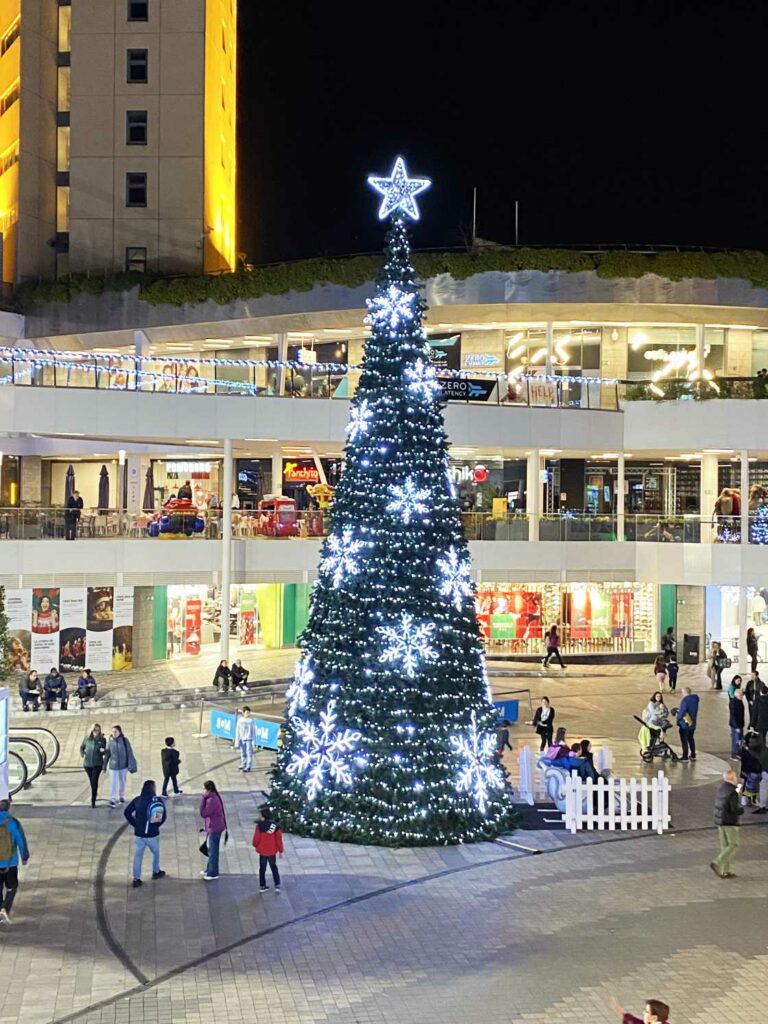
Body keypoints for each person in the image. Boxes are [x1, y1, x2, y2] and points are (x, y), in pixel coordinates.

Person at [124, 780, 167, 889]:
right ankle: (156, 871)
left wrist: (135, 824)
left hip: (139, 834)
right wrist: (155, 827)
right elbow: (162, 818)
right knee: (155, 853)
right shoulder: (157, 800)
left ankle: (136, 878)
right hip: (153, 834)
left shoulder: (138, 800)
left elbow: (127, 812)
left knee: (138, 856)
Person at [0, 798, 30, 925]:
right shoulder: (13, 822)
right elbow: (20, 840)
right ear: (8, 808)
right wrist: (24, 856)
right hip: (10, 862)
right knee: (12, 886)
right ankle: (5, 908)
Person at [711, 768, 743, 879]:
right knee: (733, 844)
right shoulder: (732, 793)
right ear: (732, 778)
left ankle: (724, 872)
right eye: (735, 777)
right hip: (730, 821)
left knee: (725, 846)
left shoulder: (721, 788)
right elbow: (734, 809)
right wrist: (741, 809)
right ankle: (717, 862)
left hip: (720, 821)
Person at [199, 780, 227, 880]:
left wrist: (202, 799)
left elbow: (203, 813)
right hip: (214, 826)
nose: (202, 791)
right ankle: (209, 869)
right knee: (211, 849)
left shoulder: (211, 800)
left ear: (208, 789)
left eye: (203, 789)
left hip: (215, 828)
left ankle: (213, 872)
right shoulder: (212, 797)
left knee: (213, 851)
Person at [252, 806, 284, 893]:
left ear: (263, 816)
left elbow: (256, 839)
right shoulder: (275, 826)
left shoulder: (259, 826)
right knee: (273, 867)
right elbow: (278, 839)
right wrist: (280, 850)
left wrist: (256, 845)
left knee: (262, 868)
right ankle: (277, 885)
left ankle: (262, 886)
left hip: (262, 851)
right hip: (272, 851)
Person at [104, 724, 137, 807]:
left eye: (116, 731)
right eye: (113, 732)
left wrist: (130, 763)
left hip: (123, 765)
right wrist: (104, 766)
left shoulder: (124, 741)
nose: (114, 733)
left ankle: (121, 796)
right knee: (113, 782)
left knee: (122, 781)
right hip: (113, 766)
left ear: (119, 732)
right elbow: (107, 755)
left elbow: (129, 752)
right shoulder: (109, 742)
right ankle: (112, 798)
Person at [80, 723, 107, 808]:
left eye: (98, 730)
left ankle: (93, 799)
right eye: (95, 730)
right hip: (88, 764)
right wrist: (83, 753)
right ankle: (94, 792)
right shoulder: (87, 739)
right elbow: (82, 747)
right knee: (92, 781)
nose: (96, 732)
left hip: (97, 764)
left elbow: (105, 749)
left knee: (94, 781)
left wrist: (103, 751)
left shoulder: (102, 739)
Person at [676, 686, 699, 761]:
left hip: (685, 724)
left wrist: (678, 719)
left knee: (684, 740)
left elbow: (682, 712)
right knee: (691, 738)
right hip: (693, 723)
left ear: (685, 692)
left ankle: (685, 756)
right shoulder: (695, 699)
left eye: (682, 692)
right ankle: (693, 755)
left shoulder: (685, 700)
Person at [235, 706, 256, 772]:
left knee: (249, 753)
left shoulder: (251, 720)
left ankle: (248, 766)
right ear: (243, 713)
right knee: (243, 753)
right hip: (242, 739)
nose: (248, 714)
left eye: (249, 713)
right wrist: (237, 741)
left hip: (249, 739)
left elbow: (253, 731)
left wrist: (254, 741)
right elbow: (237, 730)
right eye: (247, 712)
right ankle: (243, 764)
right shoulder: (240, 720)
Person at [729, 682, 746, 759]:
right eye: (741, 695)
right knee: (735, 741)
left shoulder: (739, 701)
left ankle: (738, 753)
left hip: (740, 724)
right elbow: (733, 716)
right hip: (736, 726)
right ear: (737, 695)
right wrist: (736, 727)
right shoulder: (733, 703)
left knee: (740, 740)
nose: (742, 697)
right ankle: (733, 755)